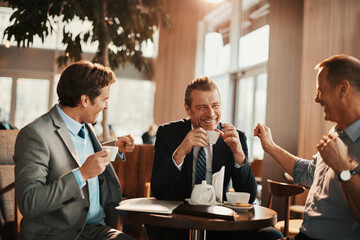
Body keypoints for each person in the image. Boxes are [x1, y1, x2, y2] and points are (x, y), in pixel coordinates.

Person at [148, 76, 283, 240]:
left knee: (272, 235)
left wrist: (239, 156)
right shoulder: (168, 134)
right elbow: (158, 191)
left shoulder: (235, 137)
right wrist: (180, 152)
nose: (211, 113)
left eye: (215, 105)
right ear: (188, 109)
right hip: (178, 222)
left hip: (220, 224)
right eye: (202, 107)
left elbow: (249, 196)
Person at [14, 61, 136, 240]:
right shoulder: (34, 135)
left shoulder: (85, 125)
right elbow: (29, 202)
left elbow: (73, 154)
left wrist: (113, 148)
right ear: (85, 100)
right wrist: (82, 174)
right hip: (59, 234)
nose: (106, 106)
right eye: (104, 99)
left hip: (96, 229)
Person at [254, 54, 360, 240]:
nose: (316, 99)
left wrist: (343, 167)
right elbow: (309, 173)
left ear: (343, 89)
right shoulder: (336, 132)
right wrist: (270, 146)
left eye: (320, 90)